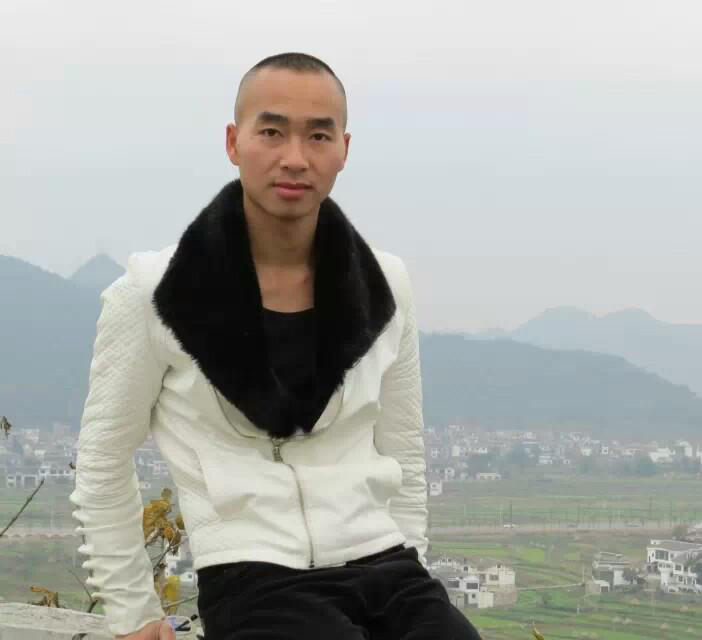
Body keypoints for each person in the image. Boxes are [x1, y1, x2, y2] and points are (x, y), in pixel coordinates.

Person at [70, 52, 481, 640]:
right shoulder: (158, 291)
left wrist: (409, 556)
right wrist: (133, 613)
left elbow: (403, 450)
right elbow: (104, 458)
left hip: (387, 568)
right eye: (272, 132)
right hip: (253, 578)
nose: (295, 157)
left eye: (318, 135)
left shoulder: (383, 285)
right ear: (233, 142)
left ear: (343, 149)